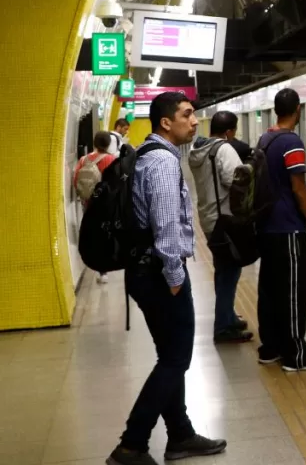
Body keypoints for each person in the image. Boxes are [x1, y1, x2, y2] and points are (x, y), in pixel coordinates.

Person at [107, 92, 226, 465]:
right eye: (188, 115)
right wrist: (175, 275)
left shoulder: (149, 154)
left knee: (170, 356)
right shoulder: (161, 162)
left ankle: (180, 435)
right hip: (160, 274)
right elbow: (166, 224)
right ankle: (131, 445)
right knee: (175, 359)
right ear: (166, 123)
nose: (194, 121)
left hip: (146, 270)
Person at [256, 88, 306, 372]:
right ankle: (296, 355)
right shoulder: (291, 142)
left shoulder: (266, 137)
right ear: (297, 110)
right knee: (293, 292)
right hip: (287, 228)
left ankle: (270, 348)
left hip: (266, 227)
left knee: (270, 289)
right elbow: (299, 189)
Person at [187, 111, 253, 344]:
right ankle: (223, 327)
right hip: (225, 219)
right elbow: (235, 180)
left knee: (223, 270)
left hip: (208, 217)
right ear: (229, 132)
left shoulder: (198, 150)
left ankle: (228, 316)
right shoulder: (224, 149)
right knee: (229, 272)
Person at [75, 131, 116, 284]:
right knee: (105, 235)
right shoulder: (112, 160)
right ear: (108, 144)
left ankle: (89, 260)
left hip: (88, 204)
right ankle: (103, 270)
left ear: (94, 143)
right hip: (106, 204)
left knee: (92, 234)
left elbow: (75, 180)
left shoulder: (83, 160)